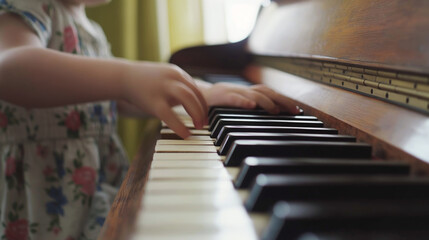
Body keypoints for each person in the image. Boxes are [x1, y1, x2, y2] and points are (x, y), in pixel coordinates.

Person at [0, 0, 299, 239]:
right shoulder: (28, 6)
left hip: (93, 192)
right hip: (42, 202)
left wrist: (203, 91)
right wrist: (126, 77)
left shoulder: (89, 28)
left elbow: (113, 96)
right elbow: (9, 67)